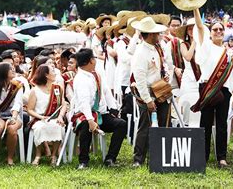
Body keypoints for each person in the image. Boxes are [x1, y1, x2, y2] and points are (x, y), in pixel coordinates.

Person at [191, 9, 233, 168]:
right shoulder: (205, 45)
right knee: (204, 123)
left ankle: (222, 158)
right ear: (210, 33)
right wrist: (195, 7)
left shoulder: (230, 53)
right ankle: (202, 156)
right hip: (207, 87)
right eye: (215, 29)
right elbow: (199, 26)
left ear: (224, 32)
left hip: (224, 90)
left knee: (222, 125)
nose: (218, 31)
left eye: (221, 29)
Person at [72, 48, 126, 169]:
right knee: (86, 124)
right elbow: (84, 103)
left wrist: (113, 109)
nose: (95, 61)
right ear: (90, 60)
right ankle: (83, 161)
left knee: (121, 124)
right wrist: (91, 120)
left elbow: (106, 92)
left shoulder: (96, 74)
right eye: (94, 58)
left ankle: (110, 158)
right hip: (84, 114)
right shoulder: (80, 79)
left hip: (100, 114)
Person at [130, 17, 171, 167]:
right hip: (147, 92)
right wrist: (148, 100)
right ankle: (138, 159)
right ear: (150, 34)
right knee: (145, 126)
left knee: (164, 123)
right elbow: (139, 79)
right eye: (156, 34)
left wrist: (164, 73)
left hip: (160, 89)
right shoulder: (140, 52)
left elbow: (162, 65)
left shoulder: (156, 48)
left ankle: (161, 156)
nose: (159, 36)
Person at [27, 64, 67, 166]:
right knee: (40, 128)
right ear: (46, 75)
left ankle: (54, 155)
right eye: (52, 71)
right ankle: (38, 155)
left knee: (59, 127)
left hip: (55, 118)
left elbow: (63, 105)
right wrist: (41, 117)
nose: (55, 73)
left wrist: (60, 116)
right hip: (39, 119)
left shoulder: (58, 88)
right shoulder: (34, 90)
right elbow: (30, 110)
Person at [0, 63, 23, 166]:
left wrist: (14, 118)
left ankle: (10, 158)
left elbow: (17, 104)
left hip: (12, 114)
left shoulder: (18, 85)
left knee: (12, 129)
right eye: (10, 69)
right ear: (3, 72)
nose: (13, 70)